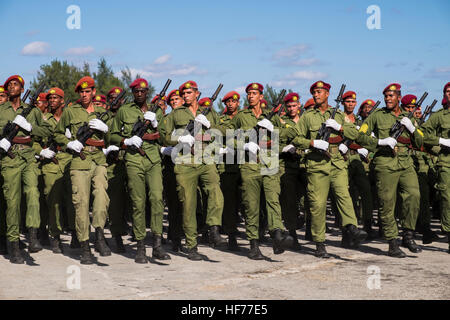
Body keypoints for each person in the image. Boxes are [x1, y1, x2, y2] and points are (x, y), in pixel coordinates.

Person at [287, 81, 367, 258]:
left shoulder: (339, 115)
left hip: (337, 162)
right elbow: (295, 137)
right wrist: (312, 142)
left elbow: (355, 134)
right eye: (314, 92)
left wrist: (339, 127)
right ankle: (319, 242)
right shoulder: (307, 116)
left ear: (327, 94)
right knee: (318, 205)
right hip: (317, 164)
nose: (316, 95)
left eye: (319, 92)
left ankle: (352, 228)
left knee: (343, 195)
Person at [227, 82, 294, 260]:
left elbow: (290, 134)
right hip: (249, 165)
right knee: (252, 206)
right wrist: (244, 144)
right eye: (248, 93)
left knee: (273, 200)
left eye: (254, 93)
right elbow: (226, 138)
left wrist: (274, 129)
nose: (250, 96)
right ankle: (253, 244)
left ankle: (277, 234)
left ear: (261, 96)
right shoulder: (241, 116)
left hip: (269, 163)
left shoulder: (271, 117)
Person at [162, 80, 227, 260]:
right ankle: (191, 245)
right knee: (188, 205)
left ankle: (214, 229)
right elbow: (165, 137)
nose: (185, 96)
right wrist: (180, 139)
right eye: (183, 94)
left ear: (197, 94)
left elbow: (222, 133)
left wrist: (209, 126)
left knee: (215, 190)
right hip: (184, 162)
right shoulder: (175, 114)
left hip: (205, 158)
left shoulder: (208, 113)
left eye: (189, 93)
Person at [356, 83, 423, 257]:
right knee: (387, 204)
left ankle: (408, 235)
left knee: (414, 195)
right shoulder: (376, 116)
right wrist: (380, 142)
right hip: (385, 163)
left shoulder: (408, 117)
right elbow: (360, 136)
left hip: (406, 162)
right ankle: (393, 243)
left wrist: (412, 128)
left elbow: (420, 143)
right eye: (386, 96)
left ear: (399, 97)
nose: (388, 99)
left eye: (391, 96)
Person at [109, 78, 170, 263]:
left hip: (152, 158)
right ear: (133, 93)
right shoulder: (124, 110)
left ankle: (157, 245)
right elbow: (111, 134)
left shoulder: (157, 111)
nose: (139, 94)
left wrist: (156, 125)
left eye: (143, 91)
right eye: (136, 91)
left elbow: (165, 139)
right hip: (134, 158)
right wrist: (125, 142)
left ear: (147, 92)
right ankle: (141, 246)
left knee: (157, 198)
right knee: (138, 201)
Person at [54, 76, 112, 264]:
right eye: (82, 92)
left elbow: (114, 139)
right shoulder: (71, 111)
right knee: (81, 203)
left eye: (88, 91)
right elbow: (57, 133)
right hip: (80, 160)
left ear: (94, 92)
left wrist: (106, 129)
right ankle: (85, 246)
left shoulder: (103, 111)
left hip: (99, 159)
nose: (85, 94)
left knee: (102, 195)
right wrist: (69, 143)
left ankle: (100, 234)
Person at [0, 75, 51, 263]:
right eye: (9, 85)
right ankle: (13, 245)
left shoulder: (33, 111)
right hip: (9, 158)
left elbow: (47, 131)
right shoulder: (1, 110)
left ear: (22, 90)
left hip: (28, 155)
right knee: (12, 201)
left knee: (32, 192)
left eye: (16, 85)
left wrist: (30, 127)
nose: (12, 87)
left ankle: (32, 236)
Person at [39, 87, 76, 253]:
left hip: (69, 159)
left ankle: (76, 233)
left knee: (73, 199)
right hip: (51, 162)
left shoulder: (71, 117)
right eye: (50, 98)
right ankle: (55, 235)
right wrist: (42, 152)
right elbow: (35, 141)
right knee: (53, 200)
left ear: (62, 100)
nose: (52, 100)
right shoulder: (43, 119)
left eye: (56, 98)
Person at [421, 82, 450, 253]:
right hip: (446, 162)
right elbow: (423, 133)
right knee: (447, 199)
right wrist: (441, 142)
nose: (449, 94)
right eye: (447, 91)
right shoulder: (440, 116)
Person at [104, 86, 129, 253]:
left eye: (118, 98)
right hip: (111, 164)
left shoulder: (128, 115)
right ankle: (117, 235)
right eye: (112, 97)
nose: (115, 100)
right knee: (116, 202)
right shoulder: (104, 118)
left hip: (130, 161)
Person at [278, 92, 304, 250]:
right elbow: (274, 141)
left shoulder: (305, 119)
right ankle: (293, 235)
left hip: (306, 164)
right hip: (287, 165)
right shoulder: (282, 122)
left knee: (309, 199)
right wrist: (284, 148)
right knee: (289, 201)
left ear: (299, 105)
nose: (292, 108)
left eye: (294, 105)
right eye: (289, 106)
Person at [218, 91, 241, 251]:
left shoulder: (245, 118)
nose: (230, 104)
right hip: (229, 165)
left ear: (238, 102)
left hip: (246, 163)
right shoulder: (222, 120)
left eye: (233, 101)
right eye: (228, 102)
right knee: (230, 203)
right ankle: (231, 235)